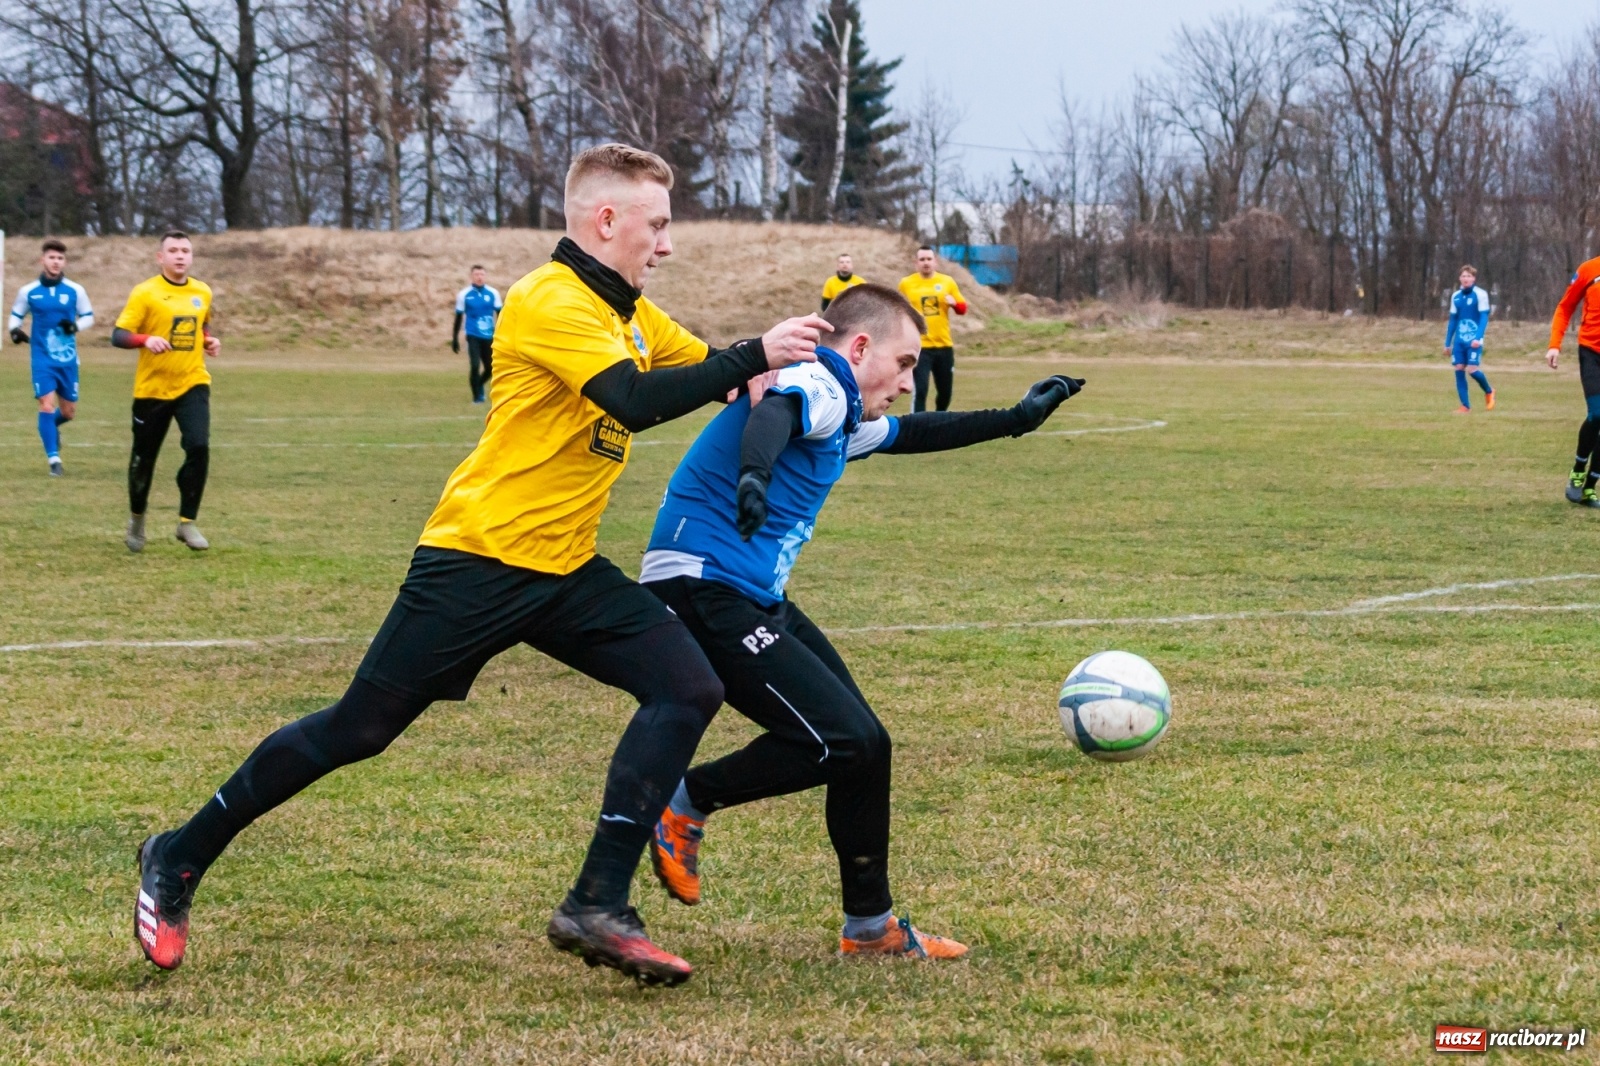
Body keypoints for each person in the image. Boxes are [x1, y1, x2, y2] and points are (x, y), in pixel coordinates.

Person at [132, 144, 829, 987]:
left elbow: (712, 372)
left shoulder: (630, 313)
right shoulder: (548, 299)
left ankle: (596, 904)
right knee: (357, 730)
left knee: (688, 686)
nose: (667, 244)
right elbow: (638, 401)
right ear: (607, 222)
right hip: (477, 560)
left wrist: (784, 380)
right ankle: (177, 854)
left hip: (565, 569)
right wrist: (754, 354)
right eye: (658, 225)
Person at [637, 283, 1083, 960]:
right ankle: (684, 801)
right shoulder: (822, 380)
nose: (909, 383)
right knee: (840, 740)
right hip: (700, 587)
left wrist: (1016, 418)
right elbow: (774, 415)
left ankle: (869, 929)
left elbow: (915, 432)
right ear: (862, 346)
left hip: (750, 593)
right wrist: (752, 477)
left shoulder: (842, 413)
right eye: (905, 365)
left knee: (866, 746)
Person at [112, 230, 221, 552]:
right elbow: (118, 335)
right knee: (143, 460)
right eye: (173, 250)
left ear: (191, 256)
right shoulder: (145, 293)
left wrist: (208, 341)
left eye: (185, 250)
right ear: (161, 257)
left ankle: (187, 522)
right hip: (152, 390)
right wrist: (145, 339)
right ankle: (137, 520)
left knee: (199, 446)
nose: (180, 256)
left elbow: (201, 325)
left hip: (192, 382)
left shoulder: (202, 291)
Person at [8, 238, 93, 477]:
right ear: (42, 260)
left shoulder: (76, 290)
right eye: (52, 257)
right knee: (46, 404)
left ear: (64, 262)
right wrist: (15, 331)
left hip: (68, 359)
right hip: (41, 358)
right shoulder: (29, 291)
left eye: (60, 258)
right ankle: (54, 461)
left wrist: (75, 327)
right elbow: (15, 316)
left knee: (68, 413)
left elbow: (88, 316)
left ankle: (51, 427)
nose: (56, 262)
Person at [1547, 254, 1600, 507]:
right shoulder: (1589, 270)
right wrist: (1554, 345)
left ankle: (1590, 487)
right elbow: (1565, 306)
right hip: (1591, 352)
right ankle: (1579, 469)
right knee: (1598, 414)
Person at [898, 246, 969, 412]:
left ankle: (939, 422)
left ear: (935, 262)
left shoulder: (947, 282)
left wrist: (954, 304)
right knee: (920, 391)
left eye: (929, 259)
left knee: (945, 393)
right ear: (916, 263)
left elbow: (962, 309)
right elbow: (898, 311)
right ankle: (919, 429)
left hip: (944, 346)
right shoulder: (906, 284)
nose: (926, 263)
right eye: (922, 259)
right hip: (920, 348)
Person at [1445, 265, 1494, 412]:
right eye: (1463, 276)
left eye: (1469, 276)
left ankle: (1489, 390)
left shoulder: (1480, 294)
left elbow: (1484, 317)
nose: (1466, 279)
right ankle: (1465, 406)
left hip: (1474, 339)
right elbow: (1453, 320)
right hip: (1459, 340)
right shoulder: (1456, 296)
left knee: (1472, 370)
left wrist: (1478, 338)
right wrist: (1448, 343)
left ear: (1473, 278)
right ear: (1460, 278)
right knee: (1459, 368)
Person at [452, 265, 503, 403]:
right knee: (475, 365)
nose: (479, 277)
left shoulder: (493, 293)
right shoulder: (464, 295)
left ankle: (478, 384)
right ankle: (477, 396)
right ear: (471, 276)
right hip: (473, 335)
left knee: (491, 367)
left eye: (481, 274)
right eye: (476, 274)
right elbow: (458, 317)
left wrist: (503, 334)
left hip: (489, 336)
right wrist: (455, 338)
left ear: (485, 276)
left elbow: (501, 315)